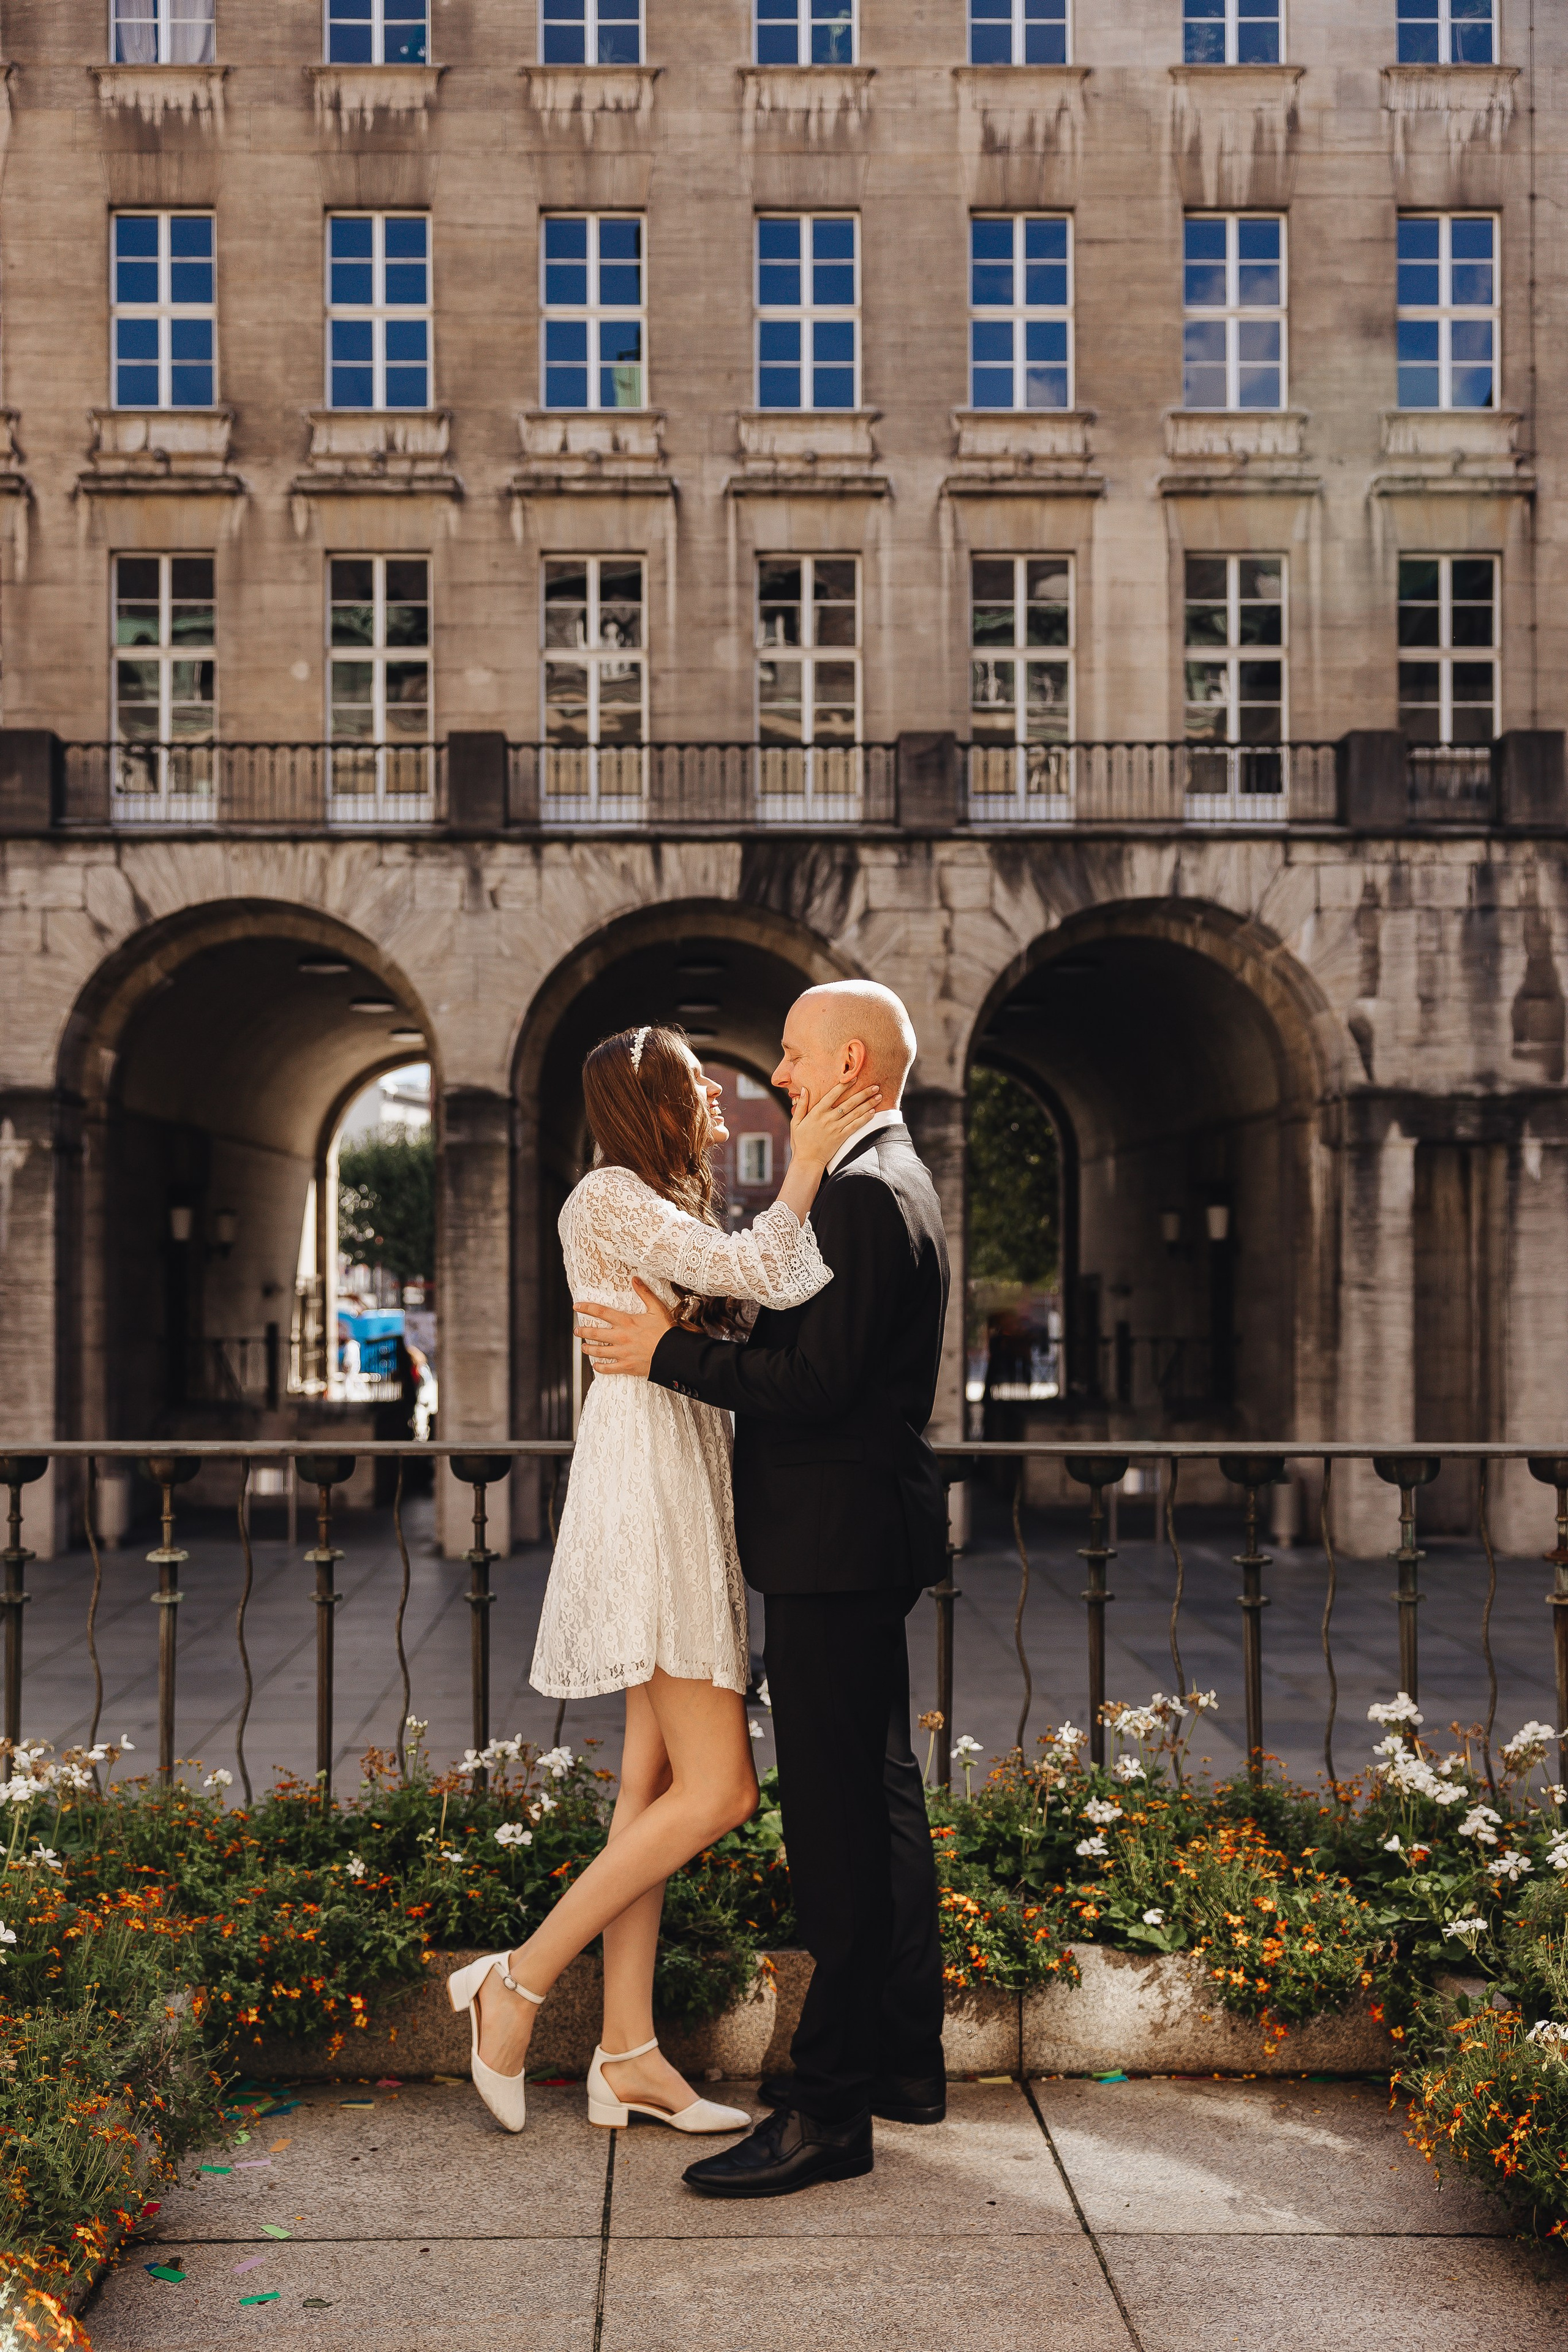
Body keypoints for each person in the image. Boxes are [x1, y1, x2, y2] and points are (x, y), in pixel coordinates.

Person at [447, 1024, 877, 2139]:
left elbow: (754, 1293)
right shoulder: (607, 1198)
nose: (725, 1103)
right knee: (721, 1791)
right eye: (702, 1087)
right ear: (653, 1103)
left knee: (650, 1790)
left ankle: (628, 2054)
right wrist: (809, 1158)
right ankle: (516, 1983)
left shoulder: (655, 1201)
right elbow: (771, 1271)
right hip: (651, 1491)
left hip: (681, 1476)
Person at [581, 981, 951, 2200]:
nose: (776, 1076)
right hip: (854, 1538)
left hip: (833, 1546)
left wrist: (666, 1355)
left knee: (837, 1837)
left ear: (847, 1063)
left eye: (792, 1055)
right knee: (880, 1808)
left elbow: (817, 1385)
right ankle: (901, 2067)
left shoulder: (858, 1190)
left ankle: (828, 2112)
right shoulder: (882, 1176)